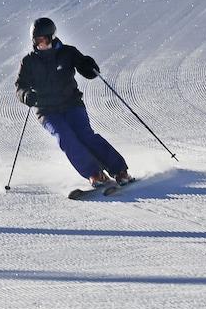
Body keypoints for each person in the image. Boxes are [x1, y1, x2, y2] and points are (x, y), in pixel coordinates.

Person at [15, 17, 132, 188]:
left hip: (71, 104)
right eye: (37, 41)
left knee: (85, 135)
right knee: (66, 138)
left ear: (52, 37)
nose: (41, 44)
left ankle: (120, 170)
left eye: (44, 39)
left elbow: (86, 69)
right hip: (47, 111)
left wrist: (89, 66)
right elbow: (20, 87)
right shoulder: (29, 61)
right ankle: (95, 174)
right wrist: (26, 96)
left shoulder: (68, 53)